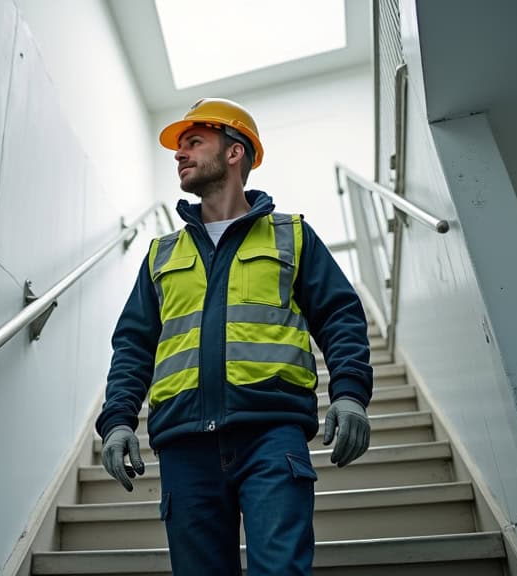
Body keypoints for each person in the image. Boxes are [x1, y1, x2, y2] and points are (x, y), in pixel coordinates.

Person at [96, 98, 374, 575]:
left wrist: (349, 394)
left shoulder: (292, 235)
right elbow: (135, 345)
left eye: (194, 142)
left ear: (234, 152)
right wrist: (118, 420)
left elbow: (340, 315)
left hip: (271, 433)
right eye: (178, 147)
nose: (180, 154)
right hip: (185, 445)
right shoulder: (163, 253)